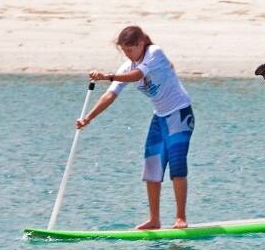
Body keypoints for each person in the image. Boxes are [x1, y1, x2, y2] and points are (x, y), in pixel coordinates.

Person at [81, 26, 195, 229]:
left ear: (141, 43)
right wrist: (88, 118)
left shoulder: (154, 53)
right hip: (160, 118)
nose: (128, 54)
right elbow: (110, 95)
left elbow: (137, 75)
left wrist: (107, 76)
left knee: (176, 163)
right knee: (152, 167)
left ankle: (180, 218)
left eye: (130, 49)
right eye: (124, 51)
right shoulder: (127, 66)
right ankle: (154, 219)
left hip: (179, 113)